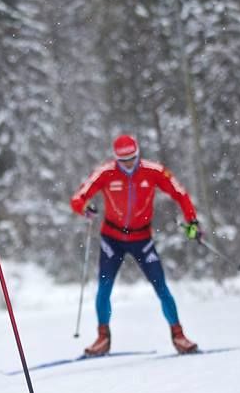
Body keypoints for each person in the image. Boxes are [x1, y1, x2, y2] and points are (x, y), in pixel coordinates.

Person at [69, 134, 200, 355]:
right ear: (116, 158)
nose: (128, 164)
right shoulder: (105, 172)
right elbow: (77, 198)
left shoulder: (154, 171)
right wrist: (85, 208)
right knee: (104, 289)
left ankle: (179, 336)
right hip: (112, 239)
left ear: (138, 153)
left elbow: (181, 194)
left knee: (162, 288)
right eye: (123, 160)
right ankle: (103, 338)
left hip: (142, 239)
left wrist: (192, 221)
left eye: (132, 158)